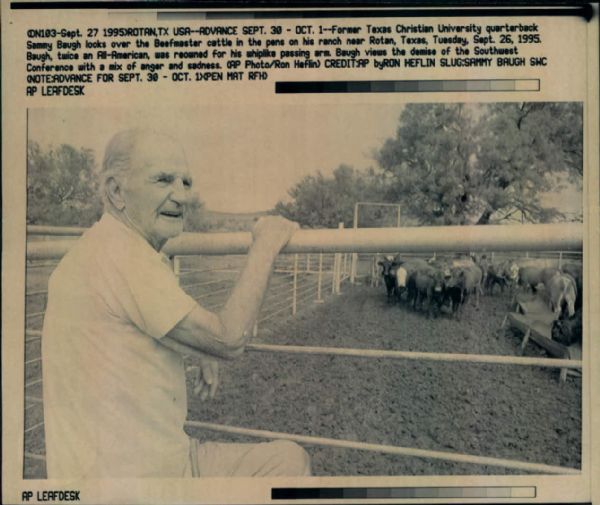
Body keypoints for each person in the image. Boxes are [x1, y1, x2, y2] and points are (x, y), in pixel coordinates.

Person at [42, 129, 311, 478]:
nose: (181, 195)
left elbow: (122, 335)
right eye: (163, 180)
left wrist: (195, 346)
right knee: (289, 465)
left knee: (288, 460)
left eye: (185, 182)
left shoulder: (99, 247)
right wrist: (265, 245)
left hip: (122, 470)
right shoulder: (123, 255)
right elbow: (229, 339)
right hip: (138, 485)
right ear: (116, 191)